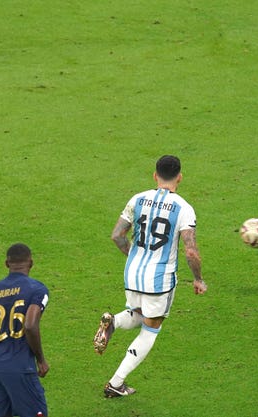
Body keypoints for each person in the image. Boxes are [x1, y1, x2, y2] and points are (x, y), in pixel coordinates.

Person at [93, 155, 207, 397]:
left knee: (138, 314)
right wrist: (198, 278)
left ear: (155, 175)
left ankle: (112, 322)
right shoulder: (184, 209)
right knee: (150, 329)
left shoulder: (138, 199)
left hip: (132, 272)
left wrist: (133, 255)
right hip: (160, 279)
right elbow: (190, 250)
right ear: (180, 177)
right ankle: (116, 382)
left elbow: (117, 235)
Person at [0, 243, 50, 417]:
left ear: (7, 264)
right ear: (31, 263)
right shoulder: (37, 289)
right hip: (21, 367)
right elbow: (30, 325)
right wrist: (41, 359)